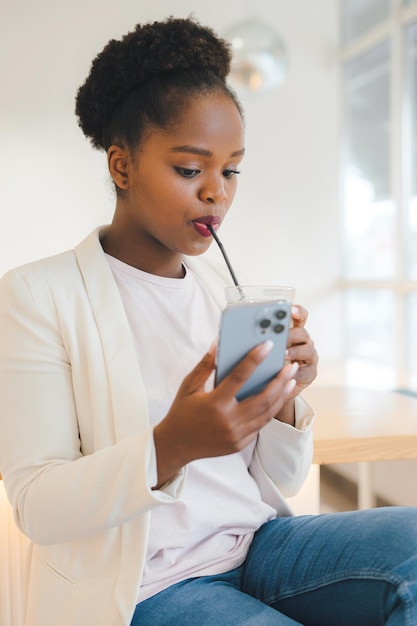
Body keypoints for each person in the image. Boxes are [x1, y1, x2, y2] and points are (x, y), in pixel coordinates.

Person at [0, 16, 416, 626]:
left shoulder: (223, 293)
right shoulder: (38, 296)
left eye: (232, 170)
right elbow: (37, 505)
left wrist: (281, 405)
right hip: (148, 583)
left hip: (257, 547)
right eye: (191, 170)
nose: (216, 193)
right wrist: (171, 445)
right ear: (121, 166)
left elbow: (280, 477)